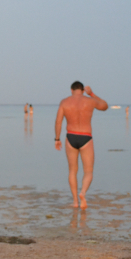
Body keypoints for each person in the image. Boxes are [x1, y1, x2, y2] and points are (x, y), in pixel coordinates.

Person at [54, 81, 108, 209]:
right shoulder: (90, 101)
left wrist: (57, 139)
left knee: (72, 171)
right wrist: (92, 94)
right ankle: (82, 193)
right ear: (83, 90)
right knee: (88, 171)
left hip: (71, 136)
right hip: (86, 137)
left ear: (71, 90)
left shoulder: (64, 102)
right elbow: (105, 106)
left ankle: (75, 202)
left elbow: (58, 121)